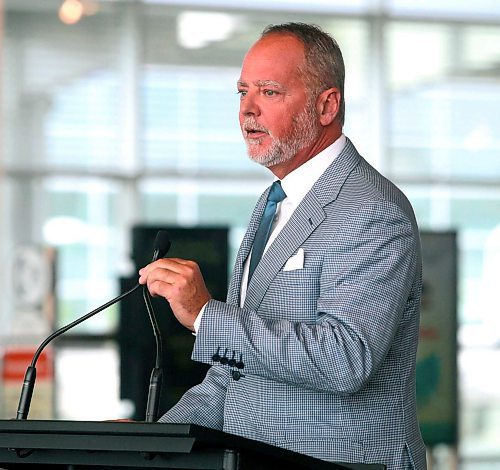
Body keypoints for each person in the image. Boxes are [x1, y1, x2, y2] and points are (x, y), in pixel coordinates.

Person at [138, 22, 426, 470]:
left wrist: (204, 316)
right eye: (242, 92)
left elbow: (345, 357)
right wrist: (145, 443)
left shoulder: (373, 210)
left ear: (327, 105)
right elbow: (232, 377)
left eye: (269, 92)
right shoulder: (276, 201)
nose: (247, 110)